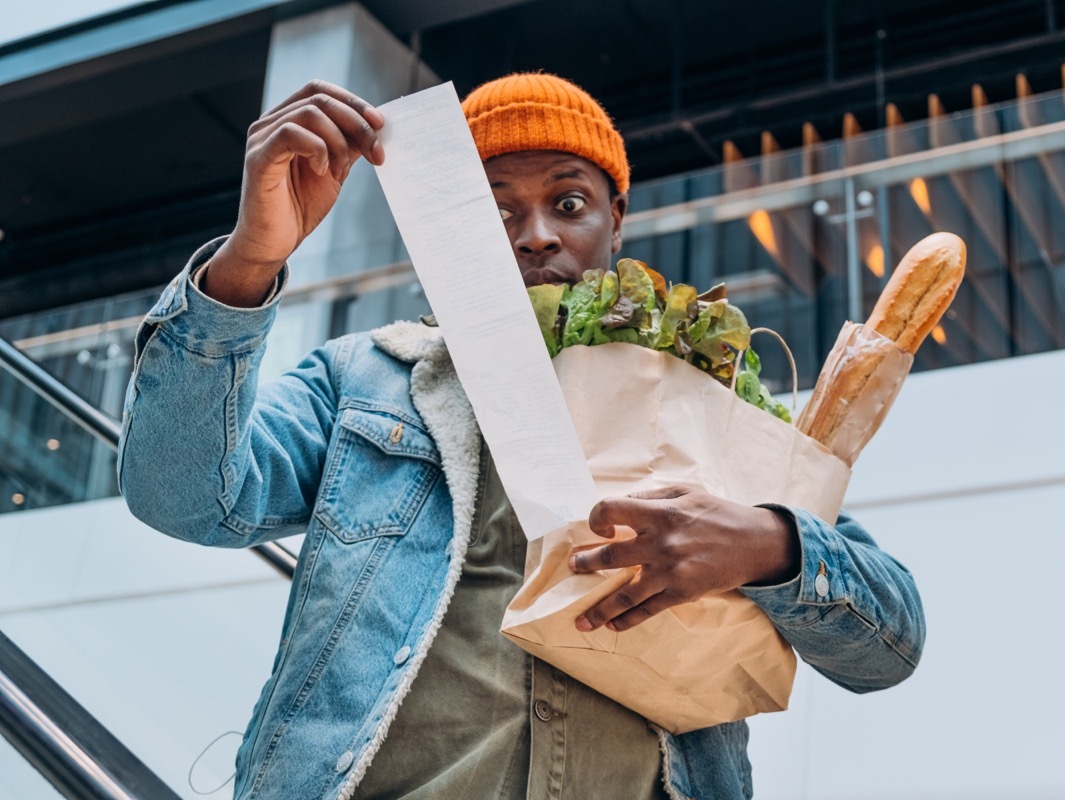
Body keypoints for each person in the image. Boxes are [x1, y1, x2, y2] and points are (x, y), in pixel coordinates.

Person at [118, 73, 925, 800]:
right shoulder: (363, 378)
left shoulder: (705, 400)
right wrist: (249, 258)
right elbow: (184, 498)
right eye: (494, 208)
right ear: (446, 227)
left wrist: (766, 544)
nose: (535, 233)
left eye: (568, 203)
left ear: (617, 222)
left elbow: (888, 645)